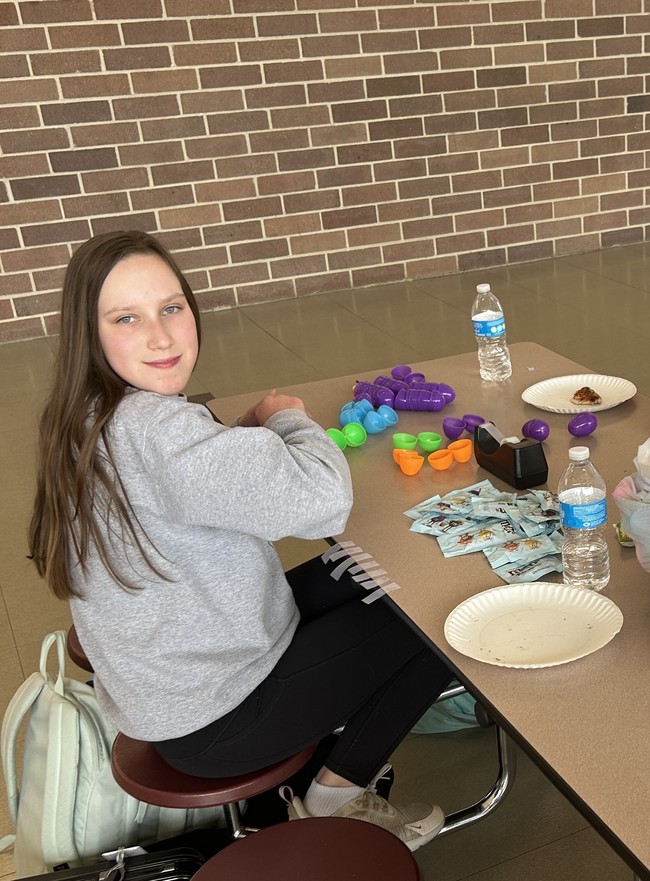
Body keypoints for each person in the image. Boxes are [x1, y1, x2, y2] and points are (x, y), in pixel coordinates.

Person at [28, 230, 453, 851]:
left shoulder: (84, 411)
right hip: (217, 717)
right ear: (89, 334)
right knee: (434, 611)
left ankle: (333, 746)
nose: (161, 336)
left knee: (362, 566)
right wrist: (287, 417)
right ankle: (336, 794)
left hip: (184, 668)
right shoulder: (157, 429)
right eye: (127, 318)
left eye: (171, 307)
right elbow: (321, 500)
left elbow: (182, 478)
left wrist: (233, 437)